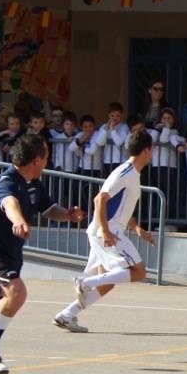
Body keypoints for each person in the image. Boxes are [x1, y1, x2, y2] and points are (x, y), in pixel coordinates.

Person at [0, 135, 84, 374]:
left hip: (10, 253)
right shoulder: (6, 182)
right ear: (36, 160)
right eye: (46, 156)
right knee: (17, 292)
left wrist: (67, 215)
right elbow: (9, 203)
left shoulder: (34, 183)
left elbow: (49, 209)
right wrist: (18, 220)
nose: (47, 161)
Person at [52, 131, 155, 333]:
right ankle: (85, 282)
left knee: (108, 282)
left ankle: (66, 315)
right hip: (107, 231)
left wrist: (137, 228)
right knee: (139, 271)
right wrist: (106, 231)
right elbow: (99, 199)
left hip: (103, 230)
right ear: (147, 150)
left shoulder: (133, 174)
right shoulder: (125, 172)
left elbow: (121, 208)